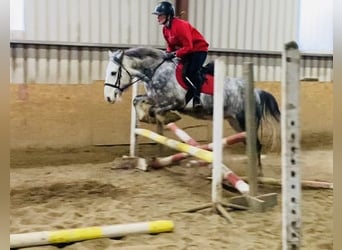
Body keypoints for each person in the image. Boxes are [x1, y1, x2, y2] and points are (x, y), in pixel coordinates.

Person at [152, 1, 209, 111]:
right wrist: (168, 54)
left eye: (160, 15)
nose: (158, 18)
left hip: (199, 49)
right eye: (157, 15)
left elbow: (189, 47)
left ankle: (196, 97)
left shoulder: (180, 25)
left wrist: (174, 54)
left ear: (168, 15)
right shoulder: (165, 29)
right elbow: (170, 45)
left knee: (191, 72)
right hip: (187, 51)